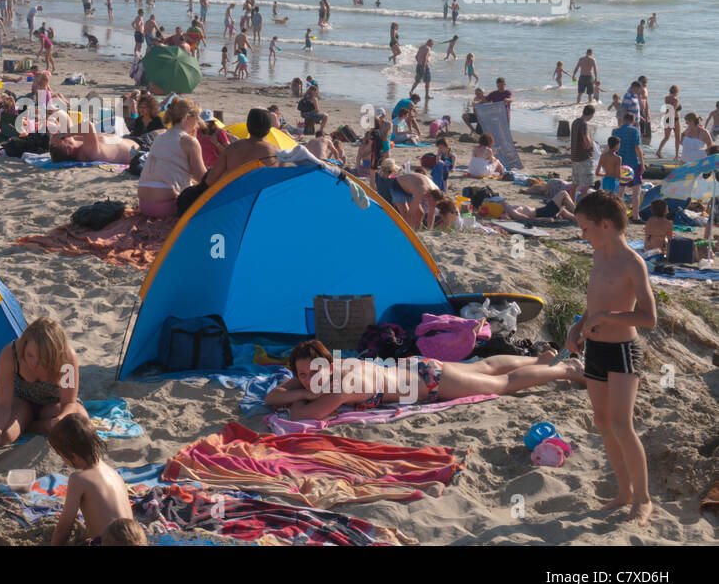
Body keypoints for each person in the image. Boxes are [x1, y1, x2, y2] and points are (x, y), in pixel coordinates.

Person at [568, 191, 657, 526]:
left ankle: (644, 498)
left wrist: (606, 316)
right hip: (596, 350)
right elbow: (593, 306)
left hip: (622, 351)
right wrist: (577, 326)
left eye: (585, 229)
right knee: (604, 424)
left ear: (605, 225)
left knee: (622, 424)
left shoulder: (632, 263)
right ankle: (624, 493)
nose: (583, 235)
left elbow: (649, 319)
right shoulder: (599, 255)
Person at [265, 339, 584, 419]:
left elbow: (301, 415)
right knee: (484, 367)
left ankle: (565, 370)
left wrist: (298, 397)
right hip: (413, 367)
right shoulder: (329, 368)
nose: (308, 381)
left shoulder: (343, 387)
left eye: (313, 373)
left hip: (431, 383)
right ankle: (539, 360)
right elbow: (273, 396)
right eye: (301, 375)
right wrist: (298, 390)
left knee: (502, 385)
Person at [0, 317, 88, 457]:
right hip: (22, 402)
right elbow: (3, 404)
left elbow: (69, 402)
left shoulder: (66, 358)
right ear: (24, 345)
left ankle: (28, 425)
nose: (34, 364)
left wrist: (60, 419)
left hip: (53, 404)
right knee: (4, 437)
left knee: (80, 424)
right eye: (30, 355)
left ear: (54, 355)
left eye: (42, 359)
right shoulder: (10, 354)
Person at [48, 415, 132, 547]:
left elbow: (64, 527)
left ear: (73, 456)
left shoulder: (79, 479)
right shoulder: (113, 472)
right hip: (136, 538)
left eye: (61, 456)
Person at [137, 98, 206, 217]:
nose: (197, 124)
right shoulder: (189, 141)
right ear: (187, 118)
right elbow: (203, 178)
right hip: (166, 207)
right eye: (197, 119)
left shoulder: (160, 137)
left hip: (144, 204)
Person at [611, 112, 644, 219]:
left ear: (624, 119)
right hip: (633, 163)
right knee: (636, 190)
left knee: (621, 189)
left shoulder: (616, 131)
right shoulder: (635, 131)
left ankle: (617, 213)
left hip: (621, 163)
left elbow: (613, 149)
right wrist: (642, 163)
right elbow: (637, 148)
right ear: (633, 121)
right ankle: (636, 216)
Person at [48, 128, 138, 164]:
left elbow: (73, 135)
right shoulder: (87, 151)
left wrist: (57, 135)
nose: (65, 138)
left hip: (132, 141)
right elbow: (88, 126)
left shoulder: (79, 146)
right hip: (138, 150)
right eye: (63, 140)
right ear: (69, 150)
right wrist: (61, 135)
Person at [570, 104, 596, 198]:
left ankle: (572, 205)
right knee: (586, 185)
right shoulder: (584, 123)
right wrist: (590, 144)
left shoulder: (575, 122)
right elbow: (585, 137)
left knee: (575, 183)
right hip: (584, 157)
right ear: (592, 114)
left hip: (575, 156)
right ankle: (581, 208)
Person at [656, 85, 681, 159]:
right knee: (677, 137)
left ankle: (659, 151)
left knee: (666, 137)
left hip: (667, 117)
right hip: (674, 118)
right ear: (677, 92)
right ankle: (677, 154)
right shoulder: (676, 99)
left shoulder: (666, 98)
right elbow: (673, 110)